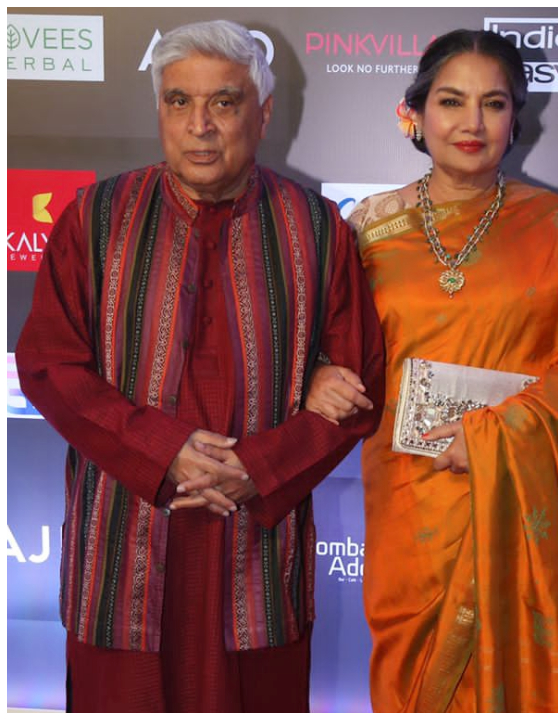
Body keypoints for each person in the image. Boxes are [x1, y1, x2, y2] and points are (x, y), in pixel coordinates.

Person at [14, 20, 386, 712]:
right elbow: (48, 366)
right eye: (179, 102)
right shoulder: (95, 219)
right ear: (159, 111)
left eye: (225, 102)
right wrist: (165, 451)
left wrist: (261, 467)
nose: (201, 126)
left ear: (264, 113)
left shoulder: (317, 229)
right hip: (123, 539)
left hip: (258, 553)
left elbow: (357, 385)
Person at [303, 29, 558, 712]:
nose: (472, 123)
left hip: (520, 494)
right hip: (411, 501)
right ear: (414, 114)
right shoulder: (366, 229)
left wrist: (495, 437)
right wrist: (320, 374)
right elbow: (333, 347)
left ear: (518, 118)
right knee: (412, 669)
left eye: (494, 103)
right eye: (451, 101)